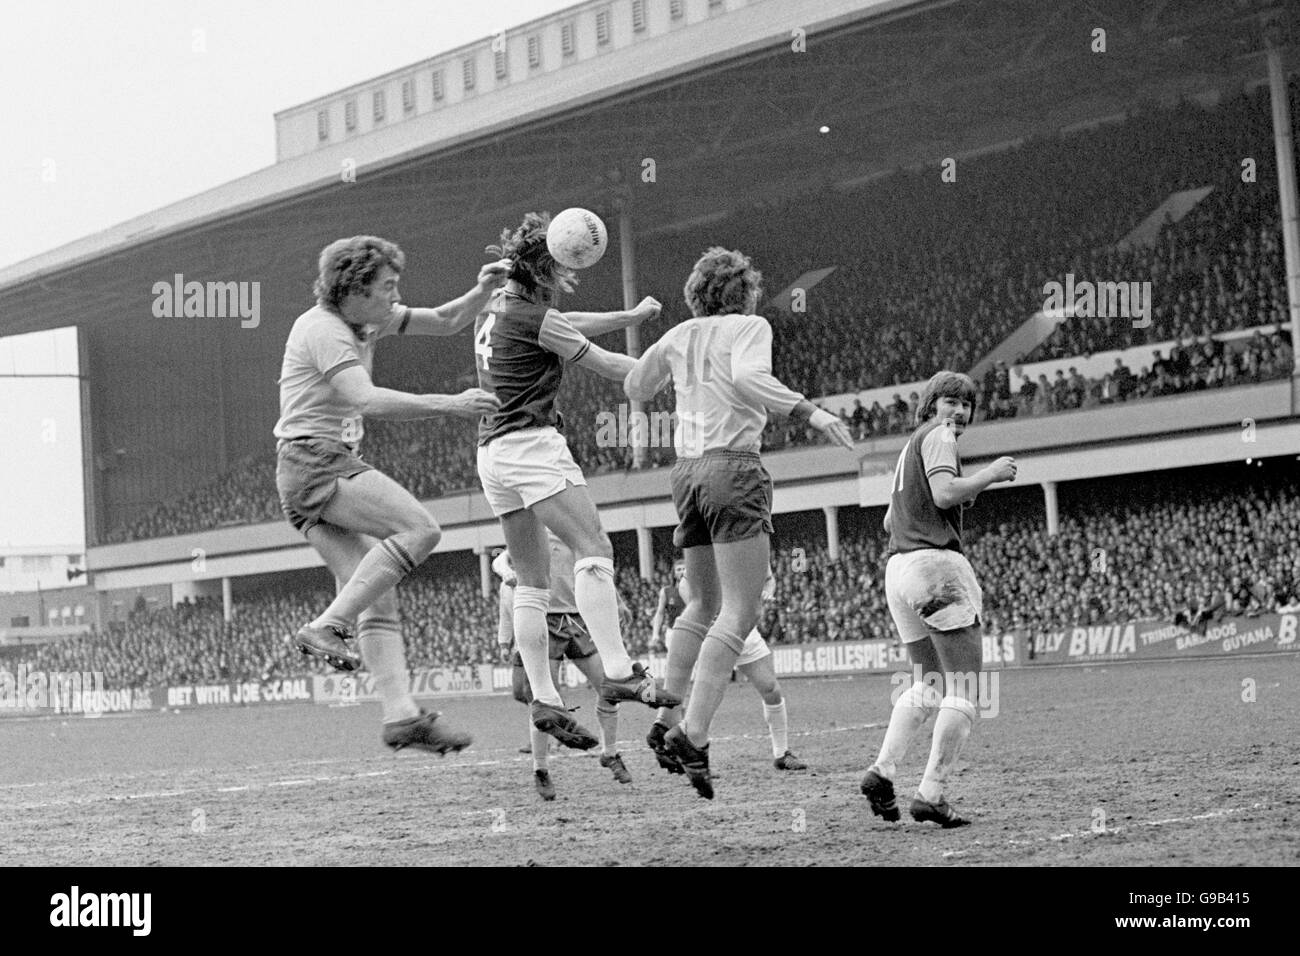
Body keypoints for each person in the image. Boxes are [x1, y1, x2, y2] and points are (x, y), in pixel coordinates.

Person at [624, 246, 853, 798]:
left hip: (686, 472)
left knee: (701, 604)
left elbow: (635, 387)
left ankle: (667, 718)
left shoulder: (678, 336)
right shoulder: (750, 326)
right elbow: (751, 380)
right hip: (733, 467)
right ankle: (694, 734)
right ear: (743, 292)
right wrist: (811, 411)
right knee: (741, 608)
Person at [278, 235, 507, 753]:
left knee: (378, 597)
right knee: (420, 529)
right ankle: (326, 626)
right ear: (354, 289)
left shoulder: (366, 318)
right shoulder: (324, 330)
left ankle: (400, 716)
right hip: (315, 461)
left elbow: (446, 319)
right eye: (386, 286)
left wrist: (479, 292)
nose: (394, 294)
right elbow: (365, 398)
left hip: (307, 470)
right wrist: (450, 404)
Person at [474, 212, 681, 752]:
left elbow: (570, 323)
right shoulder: (535, 318)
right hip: (532, 446)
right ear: (547, 272)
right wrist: (666, 367)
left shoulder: (495, 309)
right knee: (594, 547)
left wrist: (629, 313)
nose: (564, 287)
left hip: (491, 454)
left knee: (532, 583)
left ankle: (543, 696)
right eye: (561, 276)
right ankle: (616, 667)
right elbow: (610, 365)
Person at [859, 370, 1016, 827]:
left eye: (966, 405)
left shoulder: (910, 446)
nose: (959, 412)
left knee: (928, 684)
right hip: (934, 567)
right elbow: (946, 493)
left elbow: (890, 522)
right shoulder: (941, 436)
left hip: (899, 570)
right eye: (951, 401)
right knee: (966, 689)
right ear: (932, 405)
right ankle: (931, 793)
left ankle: (883, 770)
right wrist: (990, 474)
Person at [492, 537, 632, 802]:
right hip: (544, 618)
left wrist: (618, 600)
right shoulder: (535, 529)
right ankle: (541, 769)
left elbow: (595, 568)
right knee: (545, 699)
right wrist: (508, 573)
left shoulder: (573, 530)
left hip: (577, 618)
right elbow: (500, 559)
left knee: (609, 687)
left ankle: (610, 753)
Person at [648, 560, 807, 774]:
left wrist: (768, 592)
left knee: (771, 689)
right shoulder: (717, 540)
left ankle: (781, 753)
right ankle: (690, 752)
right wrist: (705, 609)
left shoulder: (758, 539)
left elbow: (769, 579)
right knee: (708, 696)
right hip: (717, 630)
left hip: (745, 629)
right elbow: (685, 583)